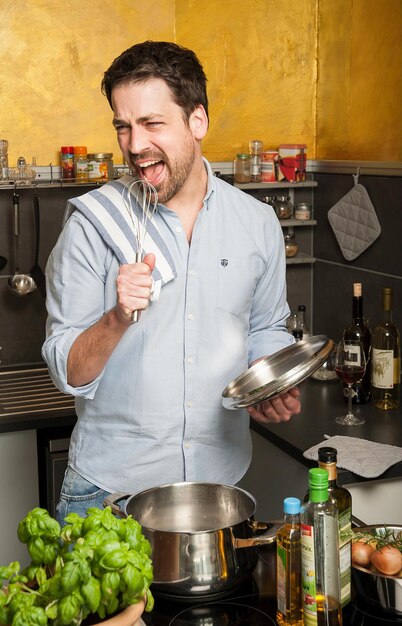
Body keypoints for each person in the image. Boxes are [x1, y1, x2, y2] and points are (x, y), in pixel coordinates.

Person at [42, 40, 301, 523]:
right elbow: (68, 373)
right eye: (124, 126)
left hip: (217, 490)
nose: (135, 145)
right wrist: (118, 318)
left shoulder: (256, 222)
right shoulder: (91, 225)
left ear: (197, 121)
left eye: (152, 123)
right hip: (109, 497)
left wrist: (269, 379)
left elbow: (266, 327)